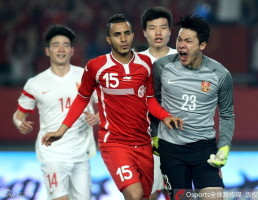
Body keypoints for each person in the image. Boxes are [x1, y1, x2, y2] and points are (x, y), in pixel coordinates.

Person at [41, 14, 184, 200]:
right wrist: (62, 130)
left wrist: (165, 116)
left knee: (145, 197)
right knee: (135, 194)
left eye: (126, 33)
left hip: (143, 143)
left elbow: (149, 99)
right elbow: (82, 99)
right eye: (117, 35)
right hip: (114, 143)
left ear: (133, 35)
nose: (123, 39)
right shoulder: (96, 66)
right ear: (108, 39)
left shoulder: (146, 64)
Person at [152, 15, 235, 200]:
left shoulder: (220, 74)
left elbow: (227, 115)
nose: (181, 45)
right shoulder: (161, 67)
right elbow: (153, 101)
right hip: (171, 149)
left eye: (188, 41)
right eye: (179, 39)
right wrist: (154, 134)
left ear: (202, 45)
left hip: (204, 150)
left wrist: (224, 147)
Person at [12, 25, 99, 200]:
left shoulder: (86, 76)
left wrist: (98, 117)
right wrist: (19, 123)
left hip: (80, 154)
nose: (61, 49)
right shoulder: (35, 83)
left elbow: (108, 104)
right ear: (47, 50)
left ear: (72, 50)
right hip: (52, 153)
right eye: (56, 45)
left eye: (66, 45)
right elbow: (19, 115)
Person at [140, 7, 176, 200]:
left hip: (179, 138)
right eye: (153, 28)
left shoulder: (185, 59)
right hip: (146, 140)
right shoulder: (137, 62)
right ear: (144, 32)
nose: (158, 32)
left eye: (163, 27)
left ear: (170, 30)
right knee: (148, 194)